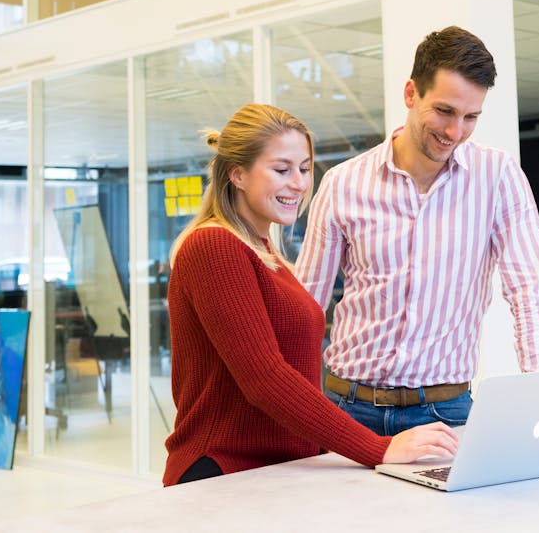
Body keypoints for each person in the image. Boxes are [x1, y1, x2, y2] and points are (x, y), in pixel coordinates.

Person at [162, 104, 458, 486]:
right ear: (237, 174)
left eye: (304, 168)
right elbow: (265, 378)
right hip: (223, 471)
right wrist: (375, 447)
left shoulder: (267, 254)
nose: (299, 184)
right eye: (281, 169)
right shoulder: (215, 247)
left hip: (278, 470)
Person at [295, 26, 539, 436]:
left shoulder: (498, 177)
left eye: (470, 117)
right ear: (410, 94)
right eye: (444, 111)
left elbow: (530, 294)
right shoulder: (343, 183)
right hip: (345, 409)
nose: (455, 132)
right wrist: (291, 405)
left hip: (445, 413)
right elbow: (305, 305)